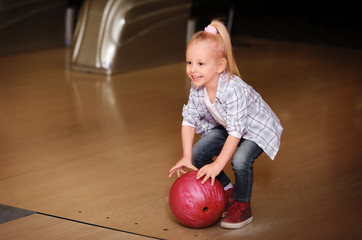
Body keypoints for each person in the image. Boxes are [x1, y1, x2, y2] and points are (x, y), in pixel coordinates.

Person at [168, 19, 283, 229]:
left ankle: (242, 205)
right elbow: (189, 119)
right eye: (189, 62)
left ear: (220, 65)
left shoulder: (233, 89)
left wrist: (218, 164)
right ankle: (227, 191)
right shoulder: (198, 87)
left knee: (240, 161)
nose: (193, 69)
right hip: (229, 126)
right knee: (197, 155)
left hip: (256, 129)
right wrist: (186, 156)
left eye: (201, 64)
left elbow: (236, 132)